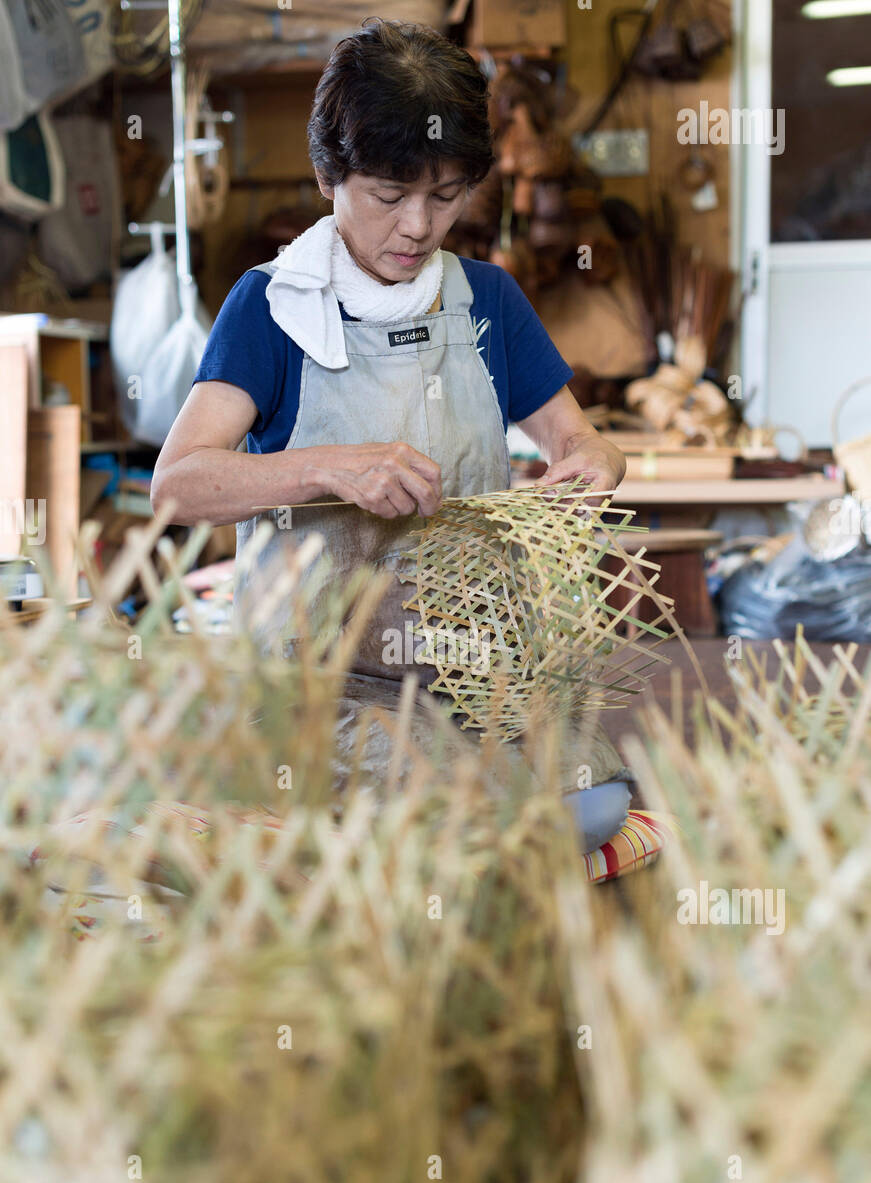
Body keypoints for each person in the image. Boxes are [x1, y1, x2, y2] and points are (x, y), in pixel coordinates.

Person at [151, 17, 632, 847]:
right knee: (466, 802)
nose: (417, 226)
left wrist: (591, 464)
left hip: (480, 682)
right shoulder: (272, 308)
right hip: (325, 687)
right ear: (328, 175)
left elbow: (584, 446)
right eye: (388, 195)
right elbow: (179, 484)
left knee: (598, 785)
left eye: (445, 198)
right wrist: (330, 468)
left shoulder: (486, 299)